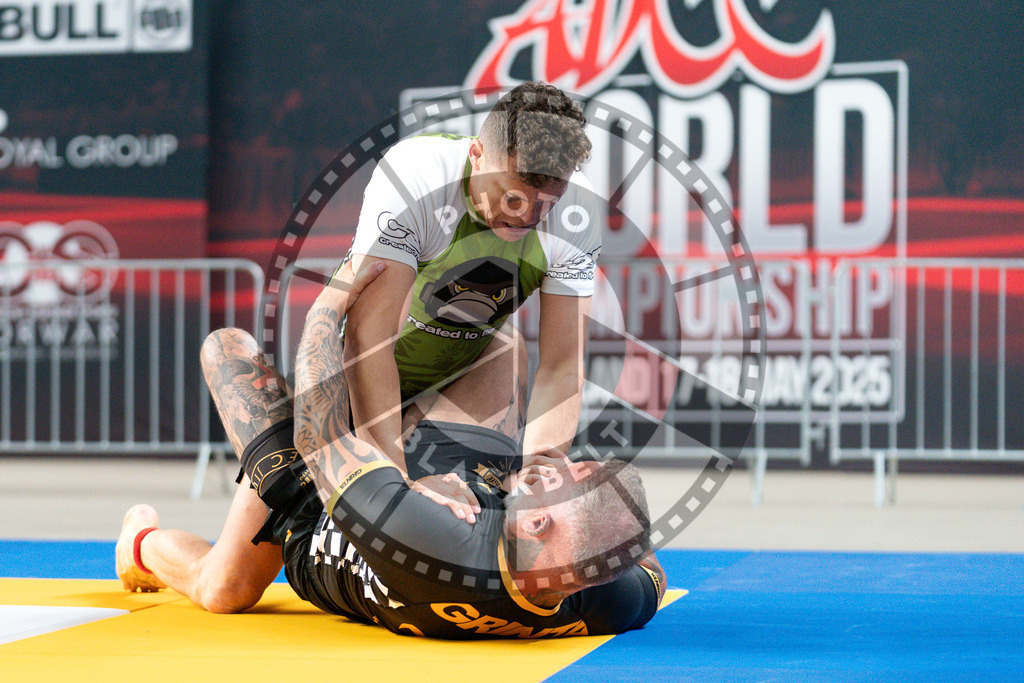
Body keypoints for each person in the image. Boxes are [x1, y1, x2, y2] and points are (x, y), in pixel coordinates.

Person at [116, 262, 665, 638]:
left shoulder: (428, 543)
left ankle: (138, 544)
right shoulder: (602, 597)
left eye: (551, 481)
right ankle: (403, 321)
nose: (550, 466)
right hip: (443, 472)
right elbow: (649, 575)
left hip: (321, 509)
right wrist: (602, 523)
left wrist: (331, 306)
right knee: (498, 345)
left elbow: (320, 436)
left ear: (540, 526)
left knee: (224, 588)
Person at [341, 81, 602, 479]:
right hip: (352, 380)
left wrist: (537, 482)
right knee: (245, 545)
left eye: (546, 202)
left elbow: (562, 365)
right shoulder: (417, 174)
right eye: (510, 196)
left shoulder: (579, 211)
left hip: (456, 384)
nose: (525, 219)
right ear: (476, 156)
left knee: (507, 346)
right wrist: (391, 483)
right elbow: (369, 339)